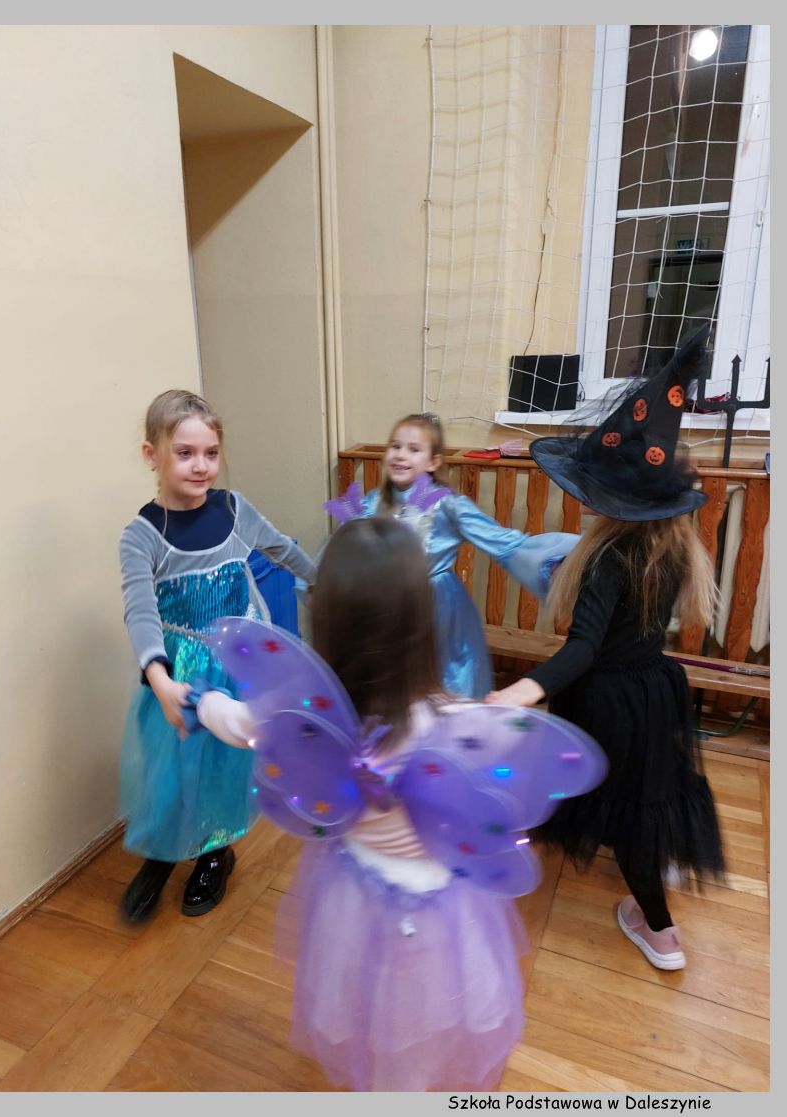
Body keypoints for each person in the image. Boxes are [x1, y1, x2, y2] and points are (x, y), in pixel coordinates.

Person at [186, 518, 604, 1091]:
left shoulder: (303, 725)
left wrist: (201, 701)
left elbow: (237, 722)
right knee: (425, 1017)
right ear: (421, 627)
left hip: (354, 897)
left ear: (328, 623)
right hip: (441, 912)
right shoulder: (455, 725)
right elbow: (506, 786)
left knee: (361, 1005)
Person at [487, 325, 726, 971]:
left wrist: (523, 689)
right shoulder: (673, 550)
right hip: (654, 688)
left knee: (621, 804)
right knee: (650, 786)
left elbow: (585, 648)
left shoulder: (607, 559)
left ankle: (660, 930)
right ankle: (653, 855)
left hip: (606, 699)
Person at [117, 389, 316, 924]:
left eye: (210, 453)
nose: (201, 466)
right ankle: (162, 851)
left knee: (223, 764)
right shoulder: (142, 536)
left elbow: (282, 549)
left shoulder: (234, 509)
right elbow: (141, 612)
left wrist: (326, 583)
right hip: (176, 674)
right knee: (169, 767)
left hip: (235, 664)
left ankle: (214, 852)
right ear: (152, 454)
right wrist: (160, 680)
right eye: (185, 453)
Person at [323, 411, 579, 698]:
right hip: (388, 607)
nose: (401, 454)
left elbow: (503, 542)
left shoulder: (447, 504)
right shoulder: (372, 504)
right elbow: (348, 549)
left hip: (437, 610)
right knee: (393, 684)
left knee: (440, 683)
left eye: (414, 449)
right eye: (395, 446)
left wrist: (559, 559)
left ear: (433, 462)